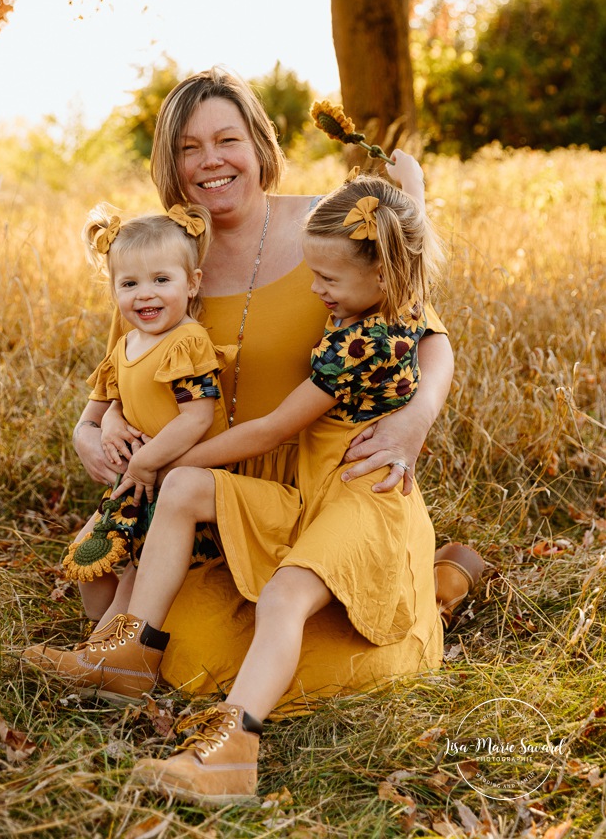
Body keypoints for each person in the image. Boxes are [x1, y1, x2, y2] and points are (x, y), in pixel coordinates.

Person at [36, 69, 465, 713]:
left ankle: (442, 584)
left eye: (227, 139)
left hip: (329, 480)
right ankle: (128, 652)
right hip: (211, 492)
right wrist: (92, 429)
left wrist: (414, 422)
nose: (210, 161)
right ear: (170, 163)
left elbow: (428, 339)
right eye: (188, 147)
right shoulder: (163, 254)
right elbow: (127, 367)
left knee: (341, 658)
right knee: (187, 655)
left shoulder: (329, 230)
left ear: (260, 145)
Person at [60, 202, 236, 627]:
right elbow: (121, 398)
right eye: (130, 283)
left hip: (169, 482)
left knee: (134, 579)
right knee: (86, 560)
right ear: (114, 290)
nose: (145, 294)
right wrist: (113, 419)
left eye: (161, 280)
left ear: (192, 284)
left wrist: (144, 462)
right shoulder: (126, 347)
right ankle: (100, 645)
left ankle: (114, 657)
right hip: (133, 483)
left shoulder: (186, 342)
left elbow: (196, 417)